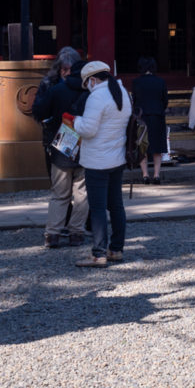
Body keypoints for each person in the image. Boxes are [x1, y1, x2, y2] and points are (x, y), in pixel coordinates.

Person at [72, 61, 132, 266]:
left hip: (97, 160)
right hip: (117, 157)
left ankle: (98, 254)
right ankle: (116, 249)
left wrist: (76, 120)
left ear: (92, 80)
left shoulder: (97, 96)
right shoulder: (122, 92)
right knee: (116, 206)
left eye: (86, 83)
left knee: (97, 209)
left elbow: (88, 130)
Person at [34, 47, 88, 248]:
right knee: (81, 192)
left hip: (60, 143)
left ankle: (53, 233)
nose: (65, 72)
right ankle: (76, 233)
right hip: (84, 143)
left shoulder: (54, 89)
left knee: (59, 192)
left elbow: (38, 111)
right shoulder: (90, 89)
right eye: (63, 69)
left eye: (67, 69)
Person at [132, 56, 169, 185]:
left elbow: (134, 101)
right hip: (157, 116)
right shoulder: (160, 81)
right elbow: (165, 101)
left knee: (142, 146)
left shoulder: (136, 82)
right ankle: (157, 175)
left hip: (142, 117)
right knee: (157, 147)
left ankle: (145, 175)